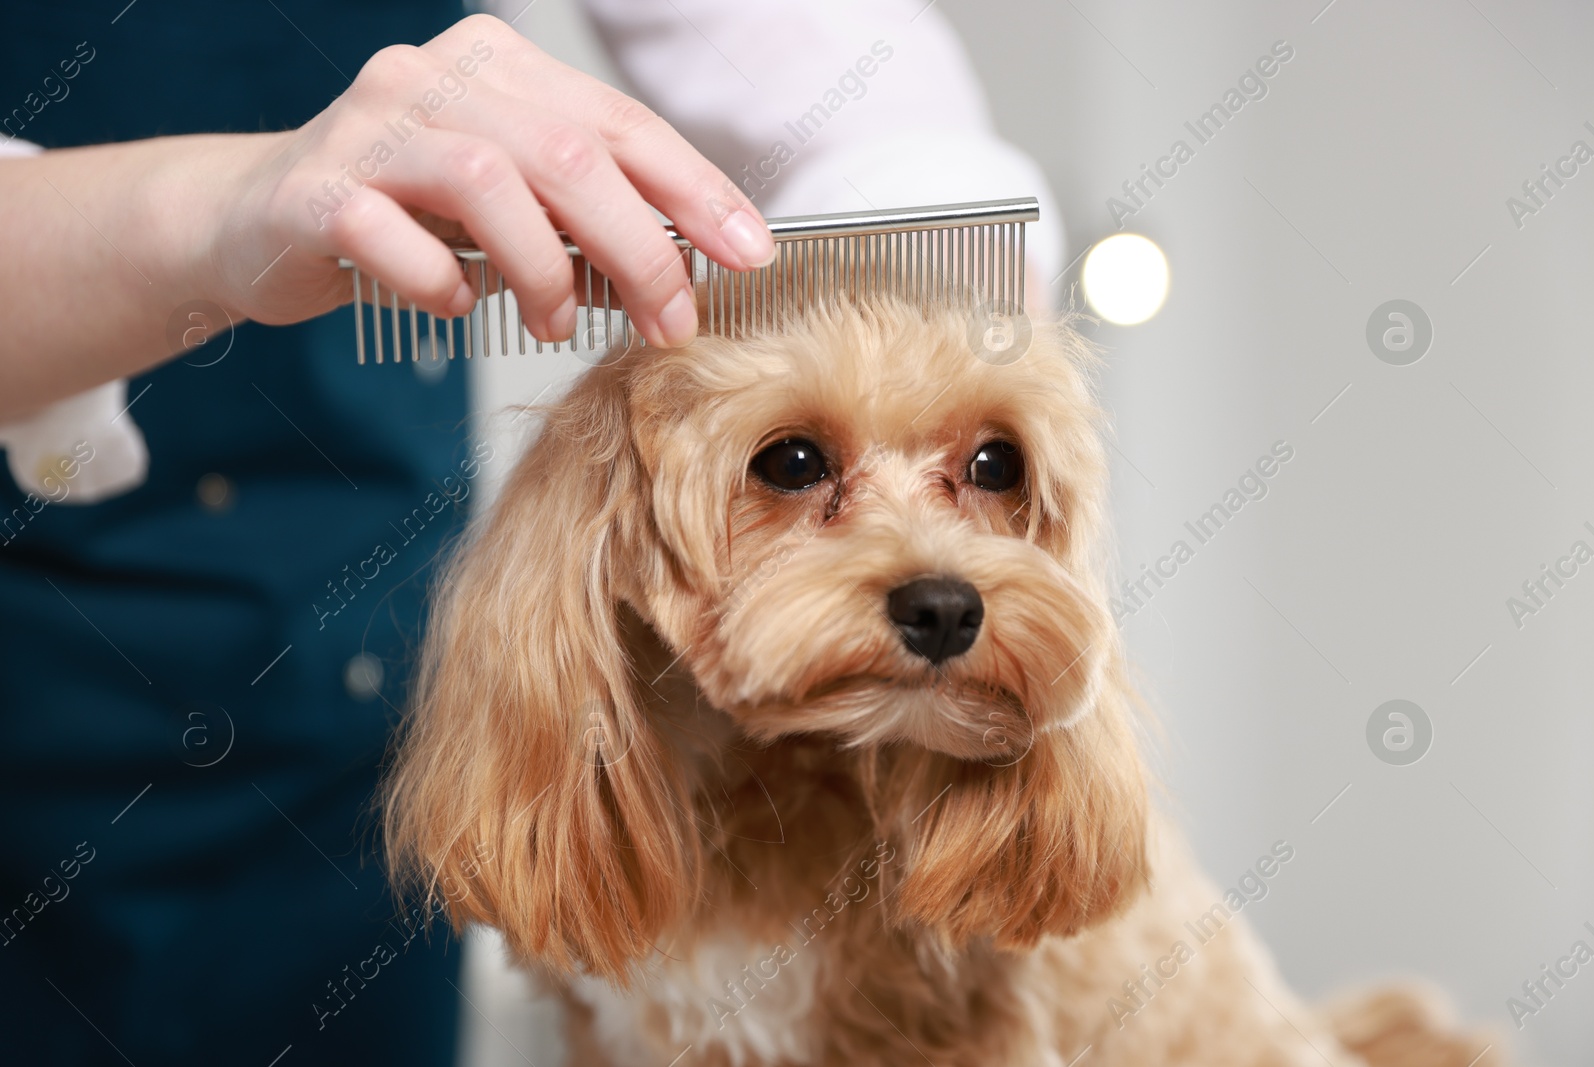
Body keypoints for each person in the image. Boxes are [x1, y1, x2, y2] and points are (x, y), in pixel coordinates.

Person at [0, 1, 1061, 1063]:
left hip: (348, 699)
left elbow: (836, 83)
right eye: (793, 466)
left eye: (982, 472)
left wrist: (932, 246)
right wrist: (217, 206)